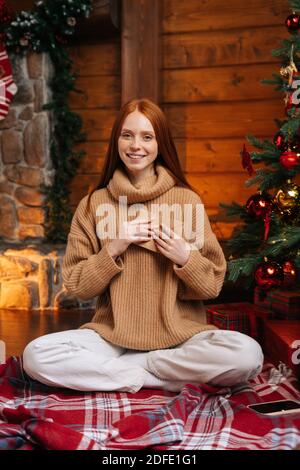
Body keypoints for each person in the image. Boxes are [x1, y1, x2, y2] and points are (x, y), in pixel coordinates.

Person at [23, 98, 264, 393]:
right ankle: (152, 378)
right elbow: (77, 287)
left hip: (180, 340)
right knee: (35, 355)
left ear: (160, 142)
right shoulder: (93, 204)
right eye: (127, 135)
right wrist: (114, 247)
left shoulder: (186, 201)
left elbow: (212, 286)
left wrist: (185, 258)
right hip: (111, 339)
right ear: (117, 140)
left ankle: (131, 372)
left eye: (147, 136)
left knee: (247, 355)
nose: (136, 145)